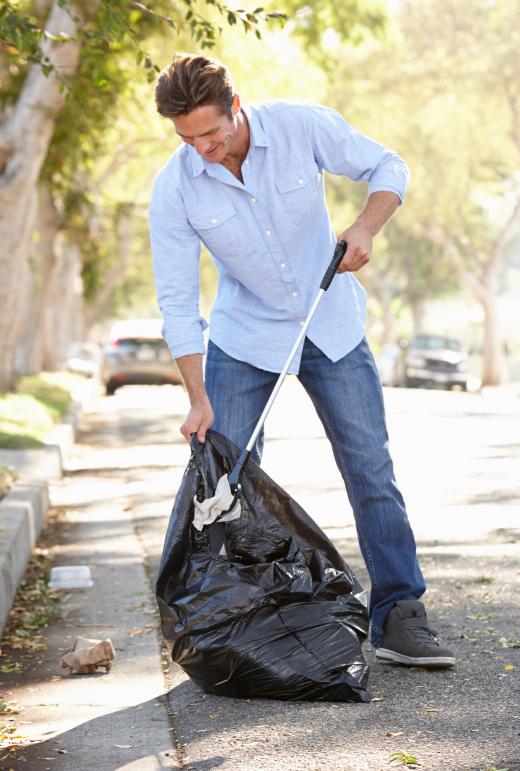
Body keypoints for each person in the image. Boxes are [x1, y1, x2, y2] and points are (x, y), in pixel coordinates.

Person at [149, 52, 455, 669]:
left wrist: (366, 226)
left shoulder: (299, 125)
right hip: (245, 336)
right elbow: (178, 301)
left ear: (236, 108)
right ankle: (234, 624)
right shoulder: (175, 186)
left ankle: (399, 615)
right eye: (188, 138)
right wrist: (197, 397)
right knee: (224, 481)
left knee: (371, 470)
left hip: (331, 322)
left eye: (212, 132)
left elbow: (388, 164)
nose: (203, 148)